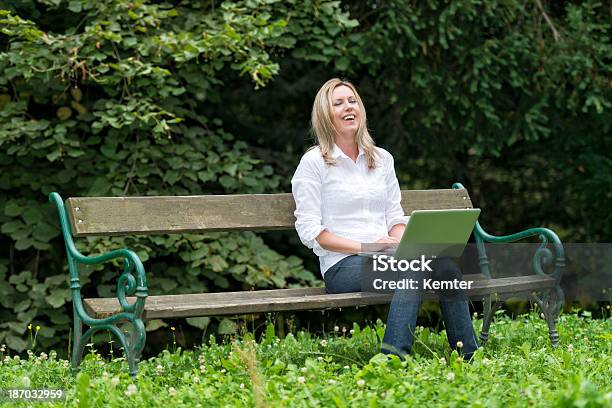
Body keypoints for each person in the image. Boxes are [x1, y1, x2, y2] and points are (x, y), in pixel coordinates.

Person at [291, 78, 479, 360]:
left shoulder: (381, 159)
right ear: (325, 115)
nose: (348, 108)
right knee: (411, 271)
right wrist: (369, 247)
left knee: (446, 266)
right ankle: (393, 360)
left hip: (388, 256)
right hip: (342, 266)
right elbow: (312, 232)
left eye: (352, 101)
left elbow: (394, 215)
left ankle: (469, 355)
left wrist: (405, 243)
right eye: (338, 103)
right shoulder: (314, 163)